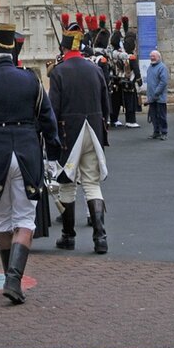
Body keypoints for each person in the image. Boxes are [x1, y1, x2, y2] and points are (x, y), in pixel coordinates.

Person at [0, 16, 60, 305]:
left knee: (2, 220)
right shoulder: (30, 79)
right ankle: (13, 279)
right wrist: (53, 156)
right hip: (27, 152)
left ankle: (10, 278)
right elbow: (48, 121)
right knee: (25, 220)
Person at [47, 23, 111, 254]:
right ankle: (100, 237)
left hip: (68, 132)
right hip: (93, 129)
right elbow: (106, 104)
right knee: (92, 184)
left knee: (67, 185)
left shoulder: (59, 71)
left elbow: (52, 109)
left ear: (64, 48)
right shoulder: (94, 69)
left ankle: (68, 235)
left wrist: (50, 139)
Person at [145, 50, 169, 140]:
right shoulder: (150, 68)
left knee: (162, 116)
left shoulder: (162, 67)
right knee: (153, 116)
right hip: (152, 98)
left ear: (159, 57)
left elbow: (163, 82)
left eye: (153, 56)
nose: (152, 58)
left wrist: (156, 93)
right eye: (151, 56)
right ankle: (156, 131)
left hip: (160, 98)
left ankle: (164, 132)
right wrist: (149, 96)